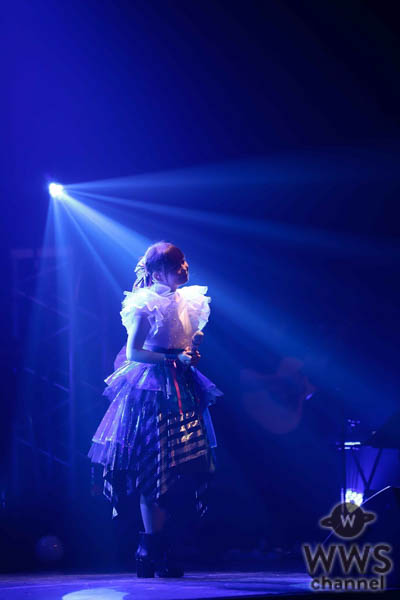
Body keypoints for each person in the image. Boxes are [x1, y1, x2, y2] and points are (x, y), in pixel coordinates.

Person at [88, 241, 222, 577]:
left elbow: (185, 342)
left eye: (184, 261)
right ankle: (151, 549)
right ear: (158, 272)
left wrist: (190, 352)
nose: (184, 267)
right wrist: (174, 359)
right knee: (156, 467)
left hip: (182, 387)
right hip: (151, 389)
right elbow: (134, 352)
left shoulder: (189, 299)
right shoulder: (146, 304)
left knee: (179, 467)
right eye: (176, 264)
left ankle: (159, 548)